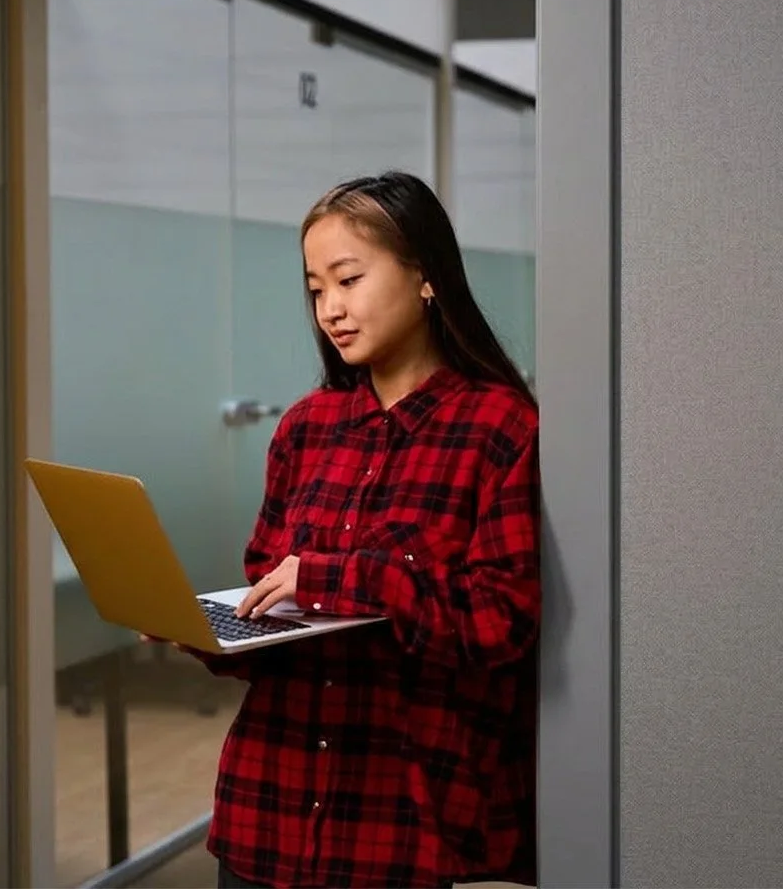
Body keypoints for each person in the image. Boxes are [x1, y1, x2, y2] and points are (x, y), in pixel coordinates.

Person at [180, 171, 540, 888]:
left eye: (348, 280)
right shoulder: (305, 429)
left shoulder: (501, 428)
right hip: (267, 812)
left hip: (400, 828)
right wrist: (212, 631)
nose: (330, 310)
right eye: (316, 290)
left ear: (426, 276)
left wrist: (342, 580)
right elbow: (274, 608)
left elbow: (501, 624)